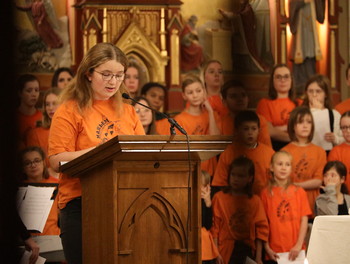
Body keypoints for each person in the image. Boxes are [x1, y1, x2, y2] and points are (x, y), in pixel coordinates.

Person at [48, 42, 145, 264]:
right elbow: (56, 161)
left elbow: (141, 155)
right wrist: (102, 152)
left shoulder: (128, 110)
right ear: (89, 74)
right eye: (107, 74)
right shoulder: (69, 110)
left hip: (126, 202)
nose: (114, 81)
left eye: (119, 75)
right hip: (81, 204)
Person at [211, 156, 269, 264]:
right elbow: (215, 228)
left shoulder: (255, 201)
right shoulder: (219, 198)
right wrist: (216, 253)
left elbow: (261, 230)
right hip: (224, 250)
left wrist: (258, 258)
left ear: (250, 178)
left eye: (241, 176)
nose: (236, 179)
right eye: (233, 175)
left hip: (246, 249)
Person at [261, 150, 312, 263]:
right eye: (280, 164)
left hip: (296, 251)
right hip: (274, 252)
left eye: (287, 164)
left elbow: (304, 220)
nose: (283, 168)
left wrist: (298, 245)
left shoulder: (299, 192)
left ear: (291, 168)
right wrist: (267, 247)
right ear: (272, 167)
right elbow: (263, 223)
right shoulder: (265, 194)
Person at [212, 110, 274, 195]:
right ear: (237, 131)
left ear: (259, 130)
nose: (250, 133)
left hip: (263, 200)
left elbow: (275, 182)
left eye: (254, 129)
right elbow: (221, 183)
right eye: (246, 129)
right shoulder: (228, 153)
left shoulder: (269, 153)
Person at [282, 106, 326, 217]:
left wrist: (295, 184)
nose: (305, 126)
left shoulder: (319, 151)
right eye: (300, 122)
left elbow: (318, 181)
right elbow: (282, 183)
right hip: (291, 206)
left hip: (313, 206)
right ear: (292, 126)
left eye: (309, 122)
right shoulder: (284, 152)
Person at [173, 74, 220, 176]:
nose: (195, 95)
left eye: (198, 91)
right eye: (190, 92)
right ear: (184, 95)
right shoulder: (179, 119)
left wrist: (210, 112)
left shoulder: (212, 115)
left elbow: (215, 139)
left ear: (204, 91)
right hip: (190, 171)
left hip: (211, 171)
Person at [288, 0, 326, 95]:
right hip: (299, 37)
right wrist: (303, 2)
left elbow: (320, 17)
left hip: (311, 34)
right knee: (299, 63)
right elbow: (292, 6)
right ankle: (299, 88)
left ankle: (311, 86)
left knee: (310, 61)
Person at [20, 146, 60, 236]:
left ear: (44, 163)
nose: (33, 165)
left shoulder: (57, 184)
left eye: (37, 161)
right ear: (22, 168)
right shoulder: (17, 189)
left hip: (53, 236)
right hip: (27, 240)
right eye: (27, 163)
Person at [219, 79, 271, 147]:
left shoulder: (260, 120)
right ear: (224, 102)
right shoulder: (221, 123)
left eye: (243, 95)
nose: (240, 99)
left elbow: (267, 150)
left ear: (248, 98)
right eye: (234, 96)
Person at [256, 64, 296, 150]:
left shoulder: (299, 103)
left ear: (291, 80)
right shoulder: (264, 103)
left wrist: (278, 128)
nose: (282, 80)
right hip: (274, 148)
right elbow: (269, 132)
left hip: (298, 149)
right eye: (278, 77)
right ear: (272, 81)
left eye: (286, 76)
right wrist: (294, 137)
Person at [302, 74, 343, 152]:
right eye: (310, 91)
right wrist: (314, 111)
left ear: (326, 94)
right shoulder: (300, 114)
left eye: (318, 91)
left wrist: (335, 139)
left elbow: (345, 138)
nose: (314, 95)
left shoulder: (334, 114)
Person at [26, 87, 61, 178]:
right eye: (47, 104)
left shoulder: (73, 130)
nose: (50, 108)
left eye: (55, 103)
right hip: (45, 181)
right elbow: (32, 164)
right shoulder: (35, 134)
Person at [16, 74, 43, 145]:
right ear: (20, 93)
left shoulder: (43, 117)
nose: (34, 94)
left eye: (36, 90)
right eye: (29, 91)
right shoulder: (13, 118)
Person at [328, 111, 350, 191]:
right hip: (344, 197)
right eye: (344, 127)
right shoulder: (336, 151)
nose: (348, 131)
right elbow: (332, 179)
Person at [201, 170, 219, 264]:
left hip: (205, 249)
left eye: (203, 186)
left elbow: (207, 225)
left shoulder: (206, 202)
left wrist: (207, 203)